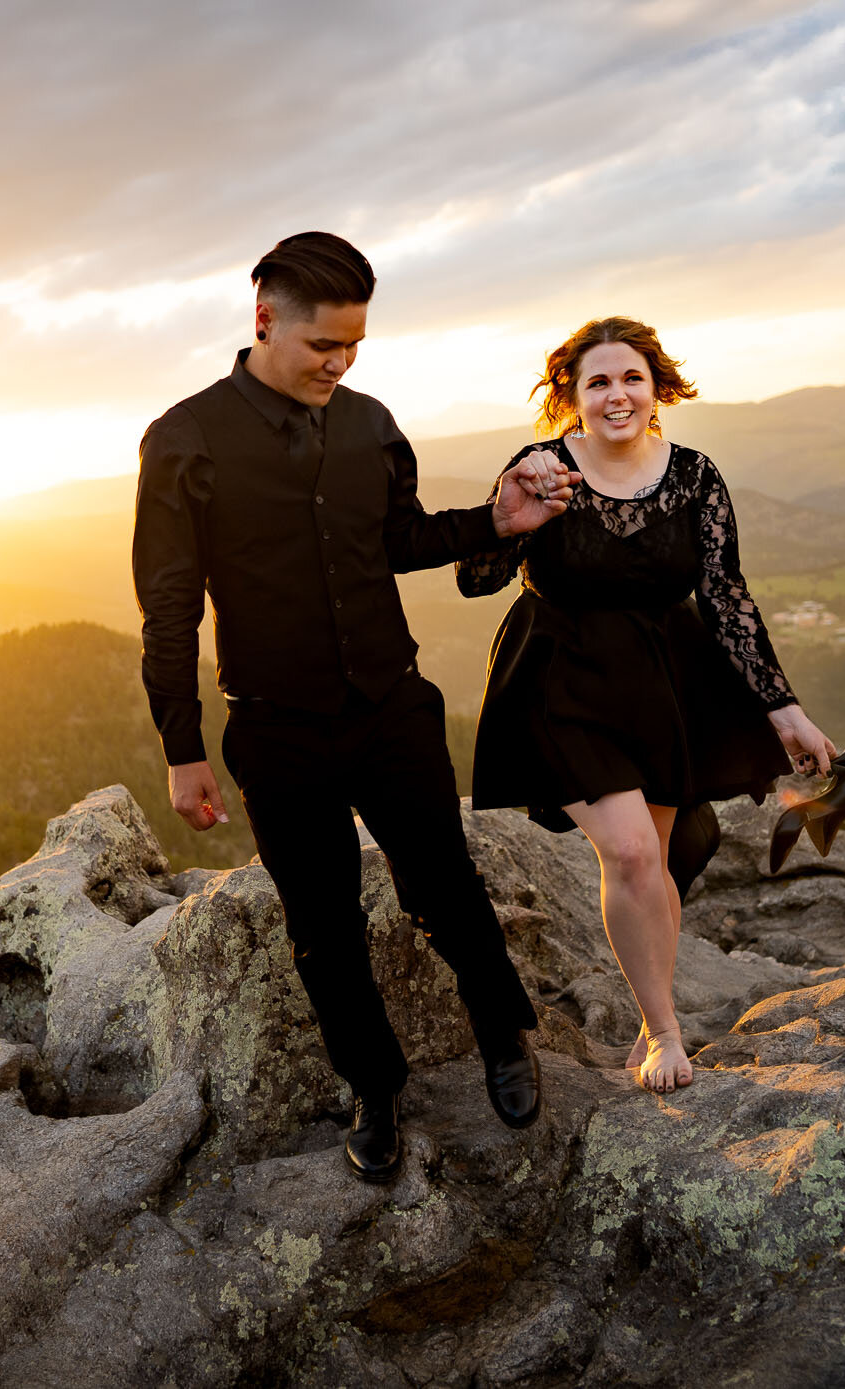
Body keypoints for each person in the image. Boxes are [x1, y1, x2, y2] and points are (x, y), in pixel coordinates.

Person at [132, 232, 582, 1184]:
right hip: (276, 725)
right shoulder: (184, 439)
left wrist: (498, 522)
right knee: (322, 923)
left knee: (445, 882)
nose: (338, 365)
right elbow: (168, 603)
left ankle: (503, 1031)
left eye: (353, 347)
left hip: (391, 706)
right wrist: (182, 746)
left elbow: (400, 539)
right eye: (321, 347)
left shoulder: (372, 421)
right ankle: (374, 1088)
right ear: (265, 320)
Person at [459, 317, 839, 1093]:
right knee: (629, 851)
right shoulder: (543, 469)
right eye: (597, 381)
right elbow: (476, 578)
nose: (616, 394)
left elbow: (727, 598)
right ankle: (665, 1032)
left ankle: (649, 1019)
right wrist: (506, 515)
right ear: (571, 396)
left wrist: (784, 708)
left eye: (630, 377)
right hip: (559, 675)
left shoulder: (696, 476)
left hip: (664, 681)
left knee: (654, 856)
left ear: (656, 385)